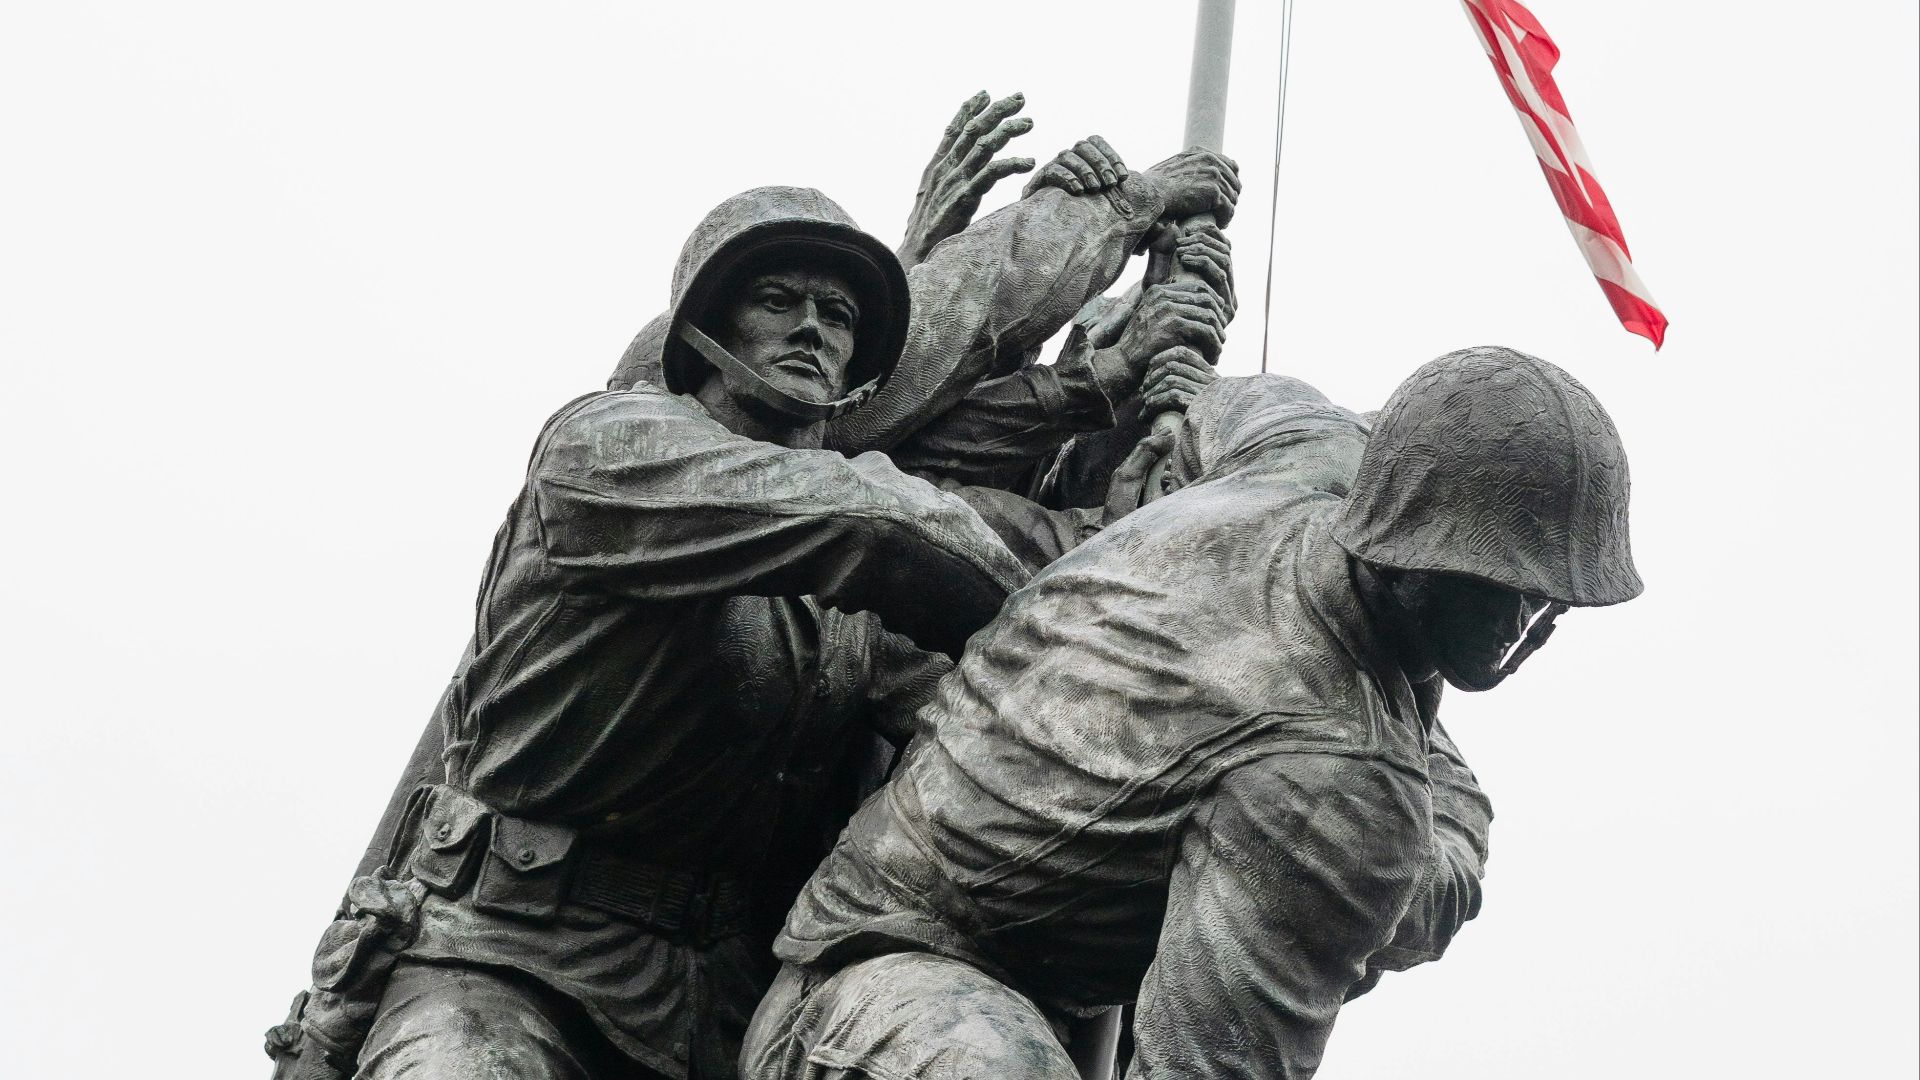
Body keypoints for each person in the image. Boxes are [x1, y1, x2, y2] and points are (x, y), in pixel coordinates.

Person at [266, 129, 1242, 1079]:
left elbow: (1000, 725)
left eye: (841, 313)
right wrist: (1112, 222)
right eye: (780, 299)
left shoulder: (854, 609)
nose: (815, 326)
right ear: (703, 331)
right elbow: (885, 526)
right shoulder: (606, 454)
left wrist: (1141, 470)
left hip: (717, 1013)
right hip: (511, 968)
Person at [741, 347, 1644, 1080]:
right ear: (1408, 550)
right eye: (1513, 583)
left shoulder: (1307, 450)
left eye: (1559, 592)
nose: (1546, 615)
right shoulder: (1336, 793)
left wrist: (1170, 434)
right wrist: (1429, 832)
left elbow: (1224, 399)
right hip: (884, 993)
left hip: (924, 967)